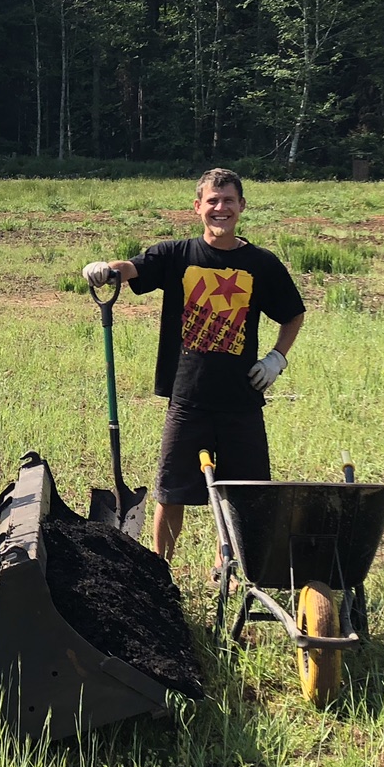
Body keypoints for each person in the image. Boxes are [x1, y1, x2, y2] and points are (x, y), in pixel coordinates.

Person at [82, 168, 305, 560]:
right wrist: (106, 268)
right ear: (198, 207)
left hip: (242, 399)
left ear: (241, 207)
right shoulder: (176, 255)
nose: (221, 209)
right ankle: (161, 567)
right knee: (172, 493)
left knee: (246, 497)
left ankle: (228, 571)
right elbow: (133, 267)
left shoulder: (261, 264)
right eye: (213, 201)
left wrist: (276, 358)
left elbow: (293, 315)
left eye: (229, 201)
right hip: (187, 398)